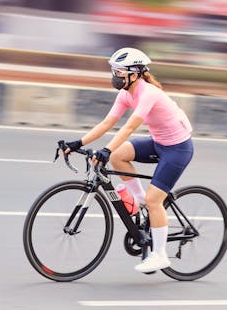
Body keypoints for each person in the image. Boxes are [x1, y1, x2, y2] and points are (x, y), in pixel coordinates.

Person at [63, 47, 194, 273]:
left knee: (155, 200)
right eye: (114, 71)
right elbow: (106, 124)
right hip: (158, 141)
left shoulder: (148, 93)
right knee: (118, 156)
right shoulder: (125, 93)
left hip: (177, 149)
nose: (115, 77)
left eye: (119, 72)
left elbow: (130, 126)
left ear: (135, 73)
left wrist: (104, 149)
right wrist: (78, 143)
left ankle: (160, 255)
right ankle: (140, 199)